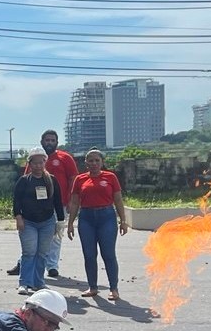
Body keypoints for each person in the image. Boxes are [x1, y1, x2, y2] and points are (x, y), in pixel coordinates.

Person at [9, 129, 77, 278]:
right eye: (47, 140)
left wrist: (72, 200)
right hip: (34, 207)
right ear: (42, 142)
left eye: (53, 140)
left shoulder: (65, 158)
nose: (50, 143)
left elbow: (73, 179)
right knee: (30, 239)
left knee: (55, 236)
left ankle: (52, 266)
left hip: (59, 204)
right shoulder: (34, 159)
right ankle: (23, 265)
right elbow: (25, 181)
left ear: (57, 142)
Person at [67, 149, 128, 301]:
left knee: (108, 254)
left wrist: (123, 221)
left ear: (102, 162)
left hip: (106, 217)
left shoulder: (110, 177)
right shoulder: (80, 179)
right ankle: (92, 287)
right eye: (90, 160)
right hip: (86, 218)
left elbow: (118, 200)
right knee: (89, 255)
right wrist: (70, 224)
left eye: (97, 160)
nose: (94, 163)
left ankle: (113, 288)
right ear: (86, 163)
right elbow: (74, 202)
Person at [13, 147, 64, 295]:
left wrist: (60, 222)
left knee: (42, 253)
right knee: (29, 252)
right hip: (28, 222)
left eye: (40, 163)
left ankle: (38, 282)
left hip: (47, 222)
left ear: (45, 163)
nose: (38, 166)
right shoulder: (24, 181)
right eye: (34, 163)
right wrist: (18, 217)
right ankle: (24, 283)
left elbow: (57, 202)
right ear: (29, 164)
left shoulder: (51, 180)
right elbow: (16, 201)